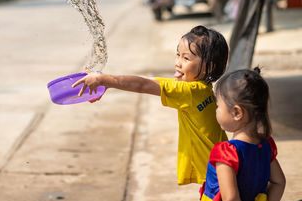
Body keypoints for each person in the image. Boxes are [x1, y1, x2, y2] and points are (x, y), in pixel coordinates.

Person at [73, 25, 229, 185]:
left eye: (186, 58)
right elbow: (147, 81)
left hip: (216, 175)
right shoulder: (203, 89)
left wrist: (105, 80)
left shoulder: (189, 92)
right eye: (178, 55)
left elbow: (143, 85)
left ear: (209, 67)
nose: (178, 63)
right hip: (221, 167)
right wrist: (108, 82)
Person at [200, 68, 286, 201]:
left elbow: (231, 199)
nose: (216, 111)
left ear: (237, 113)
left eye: (218, 106)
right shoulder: (265, 145)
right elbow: (279, 182)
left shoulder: (226, 153)